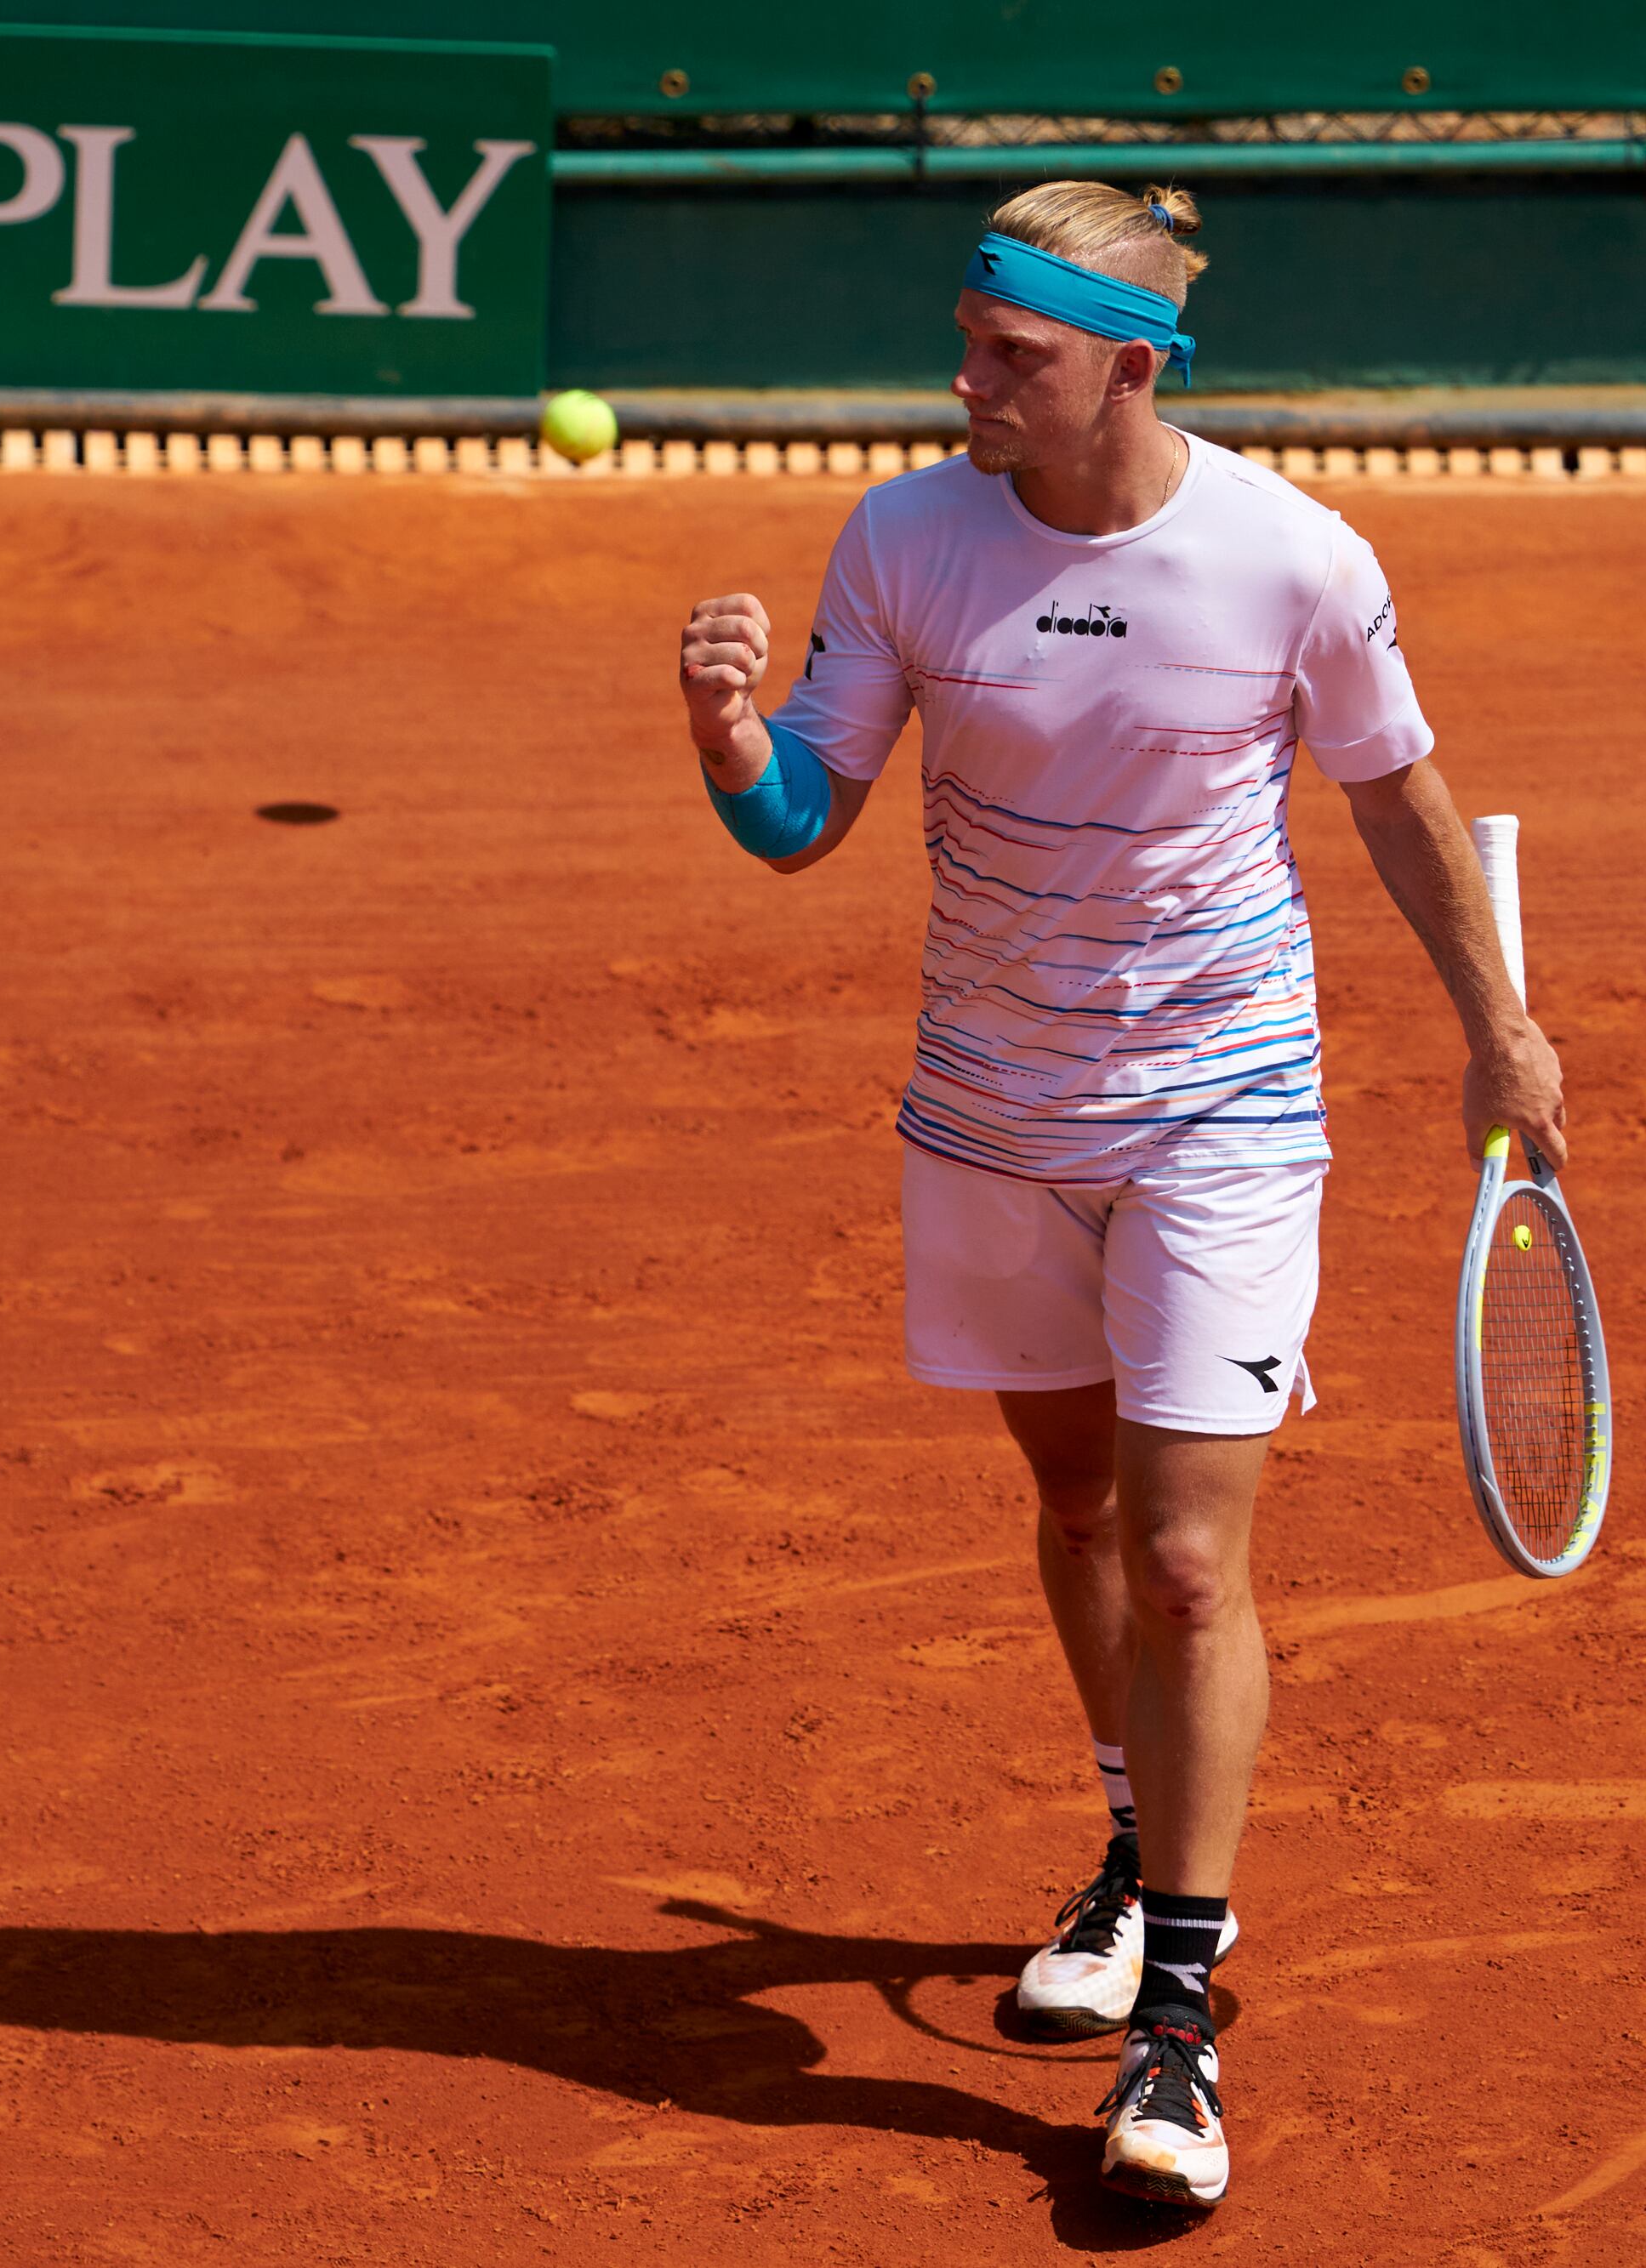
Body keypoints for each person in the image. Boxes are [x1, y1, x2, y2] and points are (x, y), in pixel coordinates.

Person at [672, 180, 1567, 2209]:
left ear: (1128, 368)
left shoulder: (1287, 559)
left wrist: (1495, 1028)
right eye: (970, 342)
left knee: (1181, 1556)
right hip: (988, 1110)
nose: (964, 379)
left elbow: (1394, 796)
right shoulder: (903, 536)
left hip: (1220, 1110)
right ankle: (1123, 1836)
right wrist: (728, 736)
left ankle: (1175, 2016)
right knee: (1069, 1503)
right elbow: (804, 821)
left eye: (1014, 358)